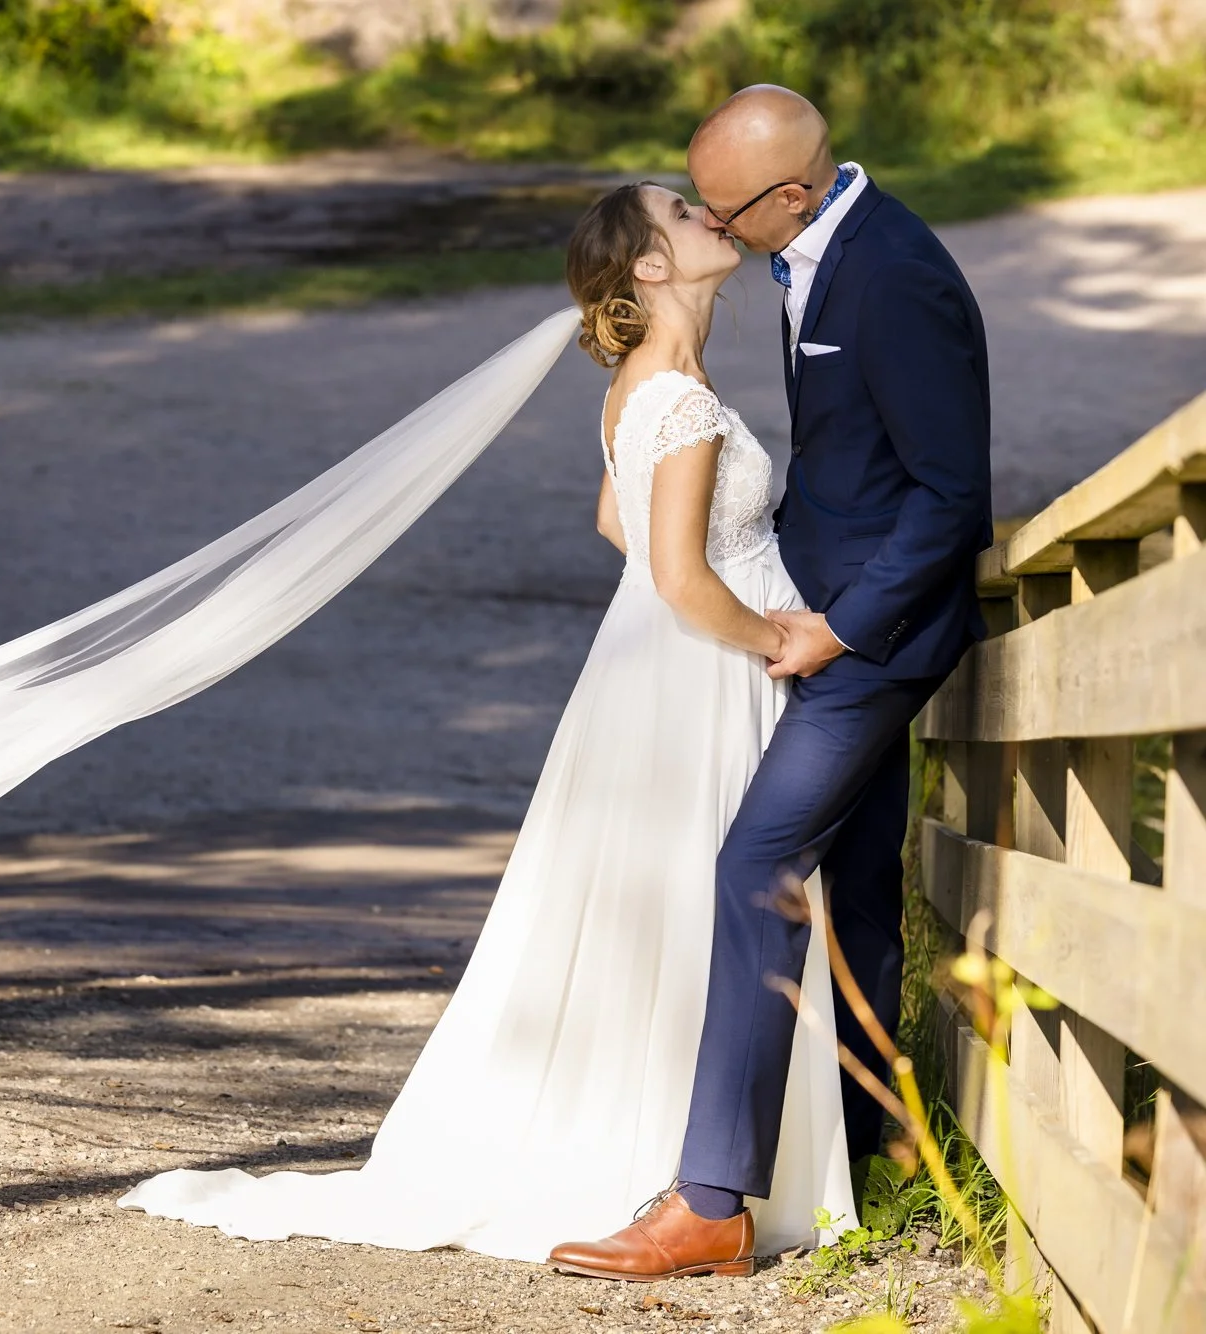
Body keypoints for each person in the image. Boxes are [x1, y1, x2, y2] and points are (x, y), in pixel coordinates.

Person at [118, 164, 862, 1264]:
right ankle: (691, 1164)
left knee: (658, 893)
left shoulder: (641, 388)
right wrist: (770, 627)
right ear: (650, 264)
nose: (705, 211)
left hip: (650, 667)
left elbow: (613, 517)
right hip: (704, 657)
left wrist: (716, 576)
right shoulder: (684, 398)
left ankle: (683, 1161)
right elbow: (669, 566)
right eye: (677, 209)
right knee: (703, 895)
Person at [547, 84, 992, 1281]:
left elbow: (951, 495)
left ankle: (711, 1200)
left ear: (788, 196)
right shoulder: (805, 266)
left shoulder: (888, 274)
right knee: (853, 884)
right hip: (810, 625)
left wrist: (831, 627)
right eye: (697, 206)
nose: (720, 226)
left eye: (727, 208)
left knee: (755, 863)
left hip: (862, 641)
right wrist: (749, 594)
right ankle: (870, 1150)